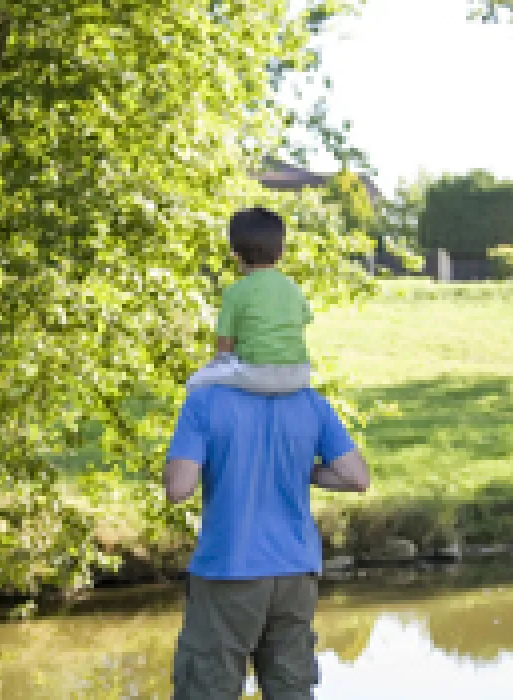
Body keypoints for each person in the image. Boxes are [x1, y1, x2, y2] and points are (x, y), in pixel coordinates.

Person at [162, 379, 371, 700]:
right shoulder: (309, 402)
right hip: (296, 573)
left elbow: (179, 489)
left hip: (228, 572)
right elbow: (356, 478)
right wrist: (306, 470)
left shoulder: (205, 401)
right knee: (291, 688)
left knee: (207, 687)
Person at [185, 208, 315, 395]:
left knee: (194, 383)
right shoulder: (293, 288)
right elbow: (299, 325)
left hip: (256, 374)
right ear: (282, 252)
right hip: (299, 374)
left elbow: (224, 348)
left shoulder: (235, 292)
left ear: (235, 254)